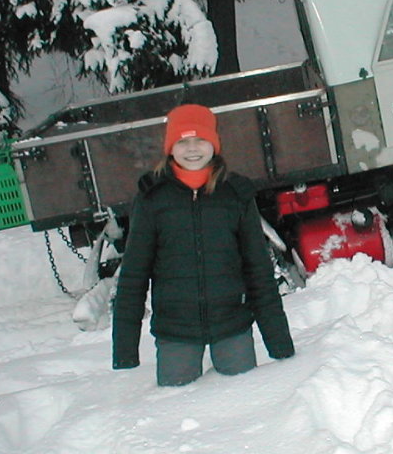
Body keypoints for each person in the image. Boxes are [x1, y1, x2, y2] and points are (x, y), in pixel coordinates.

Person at [112, 103, 294, 386]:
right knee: (179, 410)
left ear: (214, 144)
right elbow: (134, 274)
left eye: (201, 139)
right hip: (176, 332)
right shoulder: (152, 199)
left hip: (232, 325)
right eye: (183, 141)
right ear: (170, 147)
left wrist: (279, 343)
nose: (192, 148)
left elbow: (258, 271)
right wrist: (125, 350)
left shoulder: (236, 194)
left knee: (245, 403)